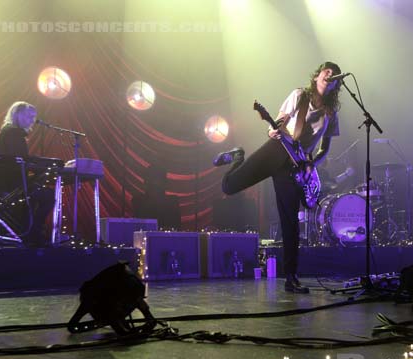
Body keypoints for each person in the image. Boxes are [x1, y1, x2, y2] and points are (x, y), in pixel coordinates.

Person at [213, 61, 342, 293]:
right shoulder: (300, 95)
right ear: (317, 76)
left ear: (336, 85)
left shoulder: (331, 114)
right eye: (326, 72)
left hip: (296, 166)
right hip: (278, 149)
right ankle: (237, 156)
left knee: (290, 221)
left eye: (334, 75)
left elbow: (325, 148)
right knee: (229, 187)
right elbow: (282, 118)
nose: (329, 76)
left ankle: (291, 277)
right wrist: (274, 128)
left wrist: (312, 164)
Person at [0, 101, 55, 246]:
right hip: (10, 182)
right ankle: (32, 232)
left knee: (37, 195)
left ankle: (28, 231)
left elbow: (20, 159)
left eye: (34, 117)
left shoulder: (7, 131)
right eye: (28, 116)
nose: (32, 120)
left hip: (6, 179)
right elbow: (20, 159)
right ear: (17, 115)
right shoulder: (14, 133)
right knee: (49, 196)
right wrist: (45, 164)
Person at [132, 165, 181, 230]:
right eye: (153, 181)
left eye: (157, 180)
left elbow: (176, 227)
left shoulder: (172, 202)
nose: (155, 184)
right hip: (152, 237)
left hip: (164, 238)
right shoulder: (138, 200)